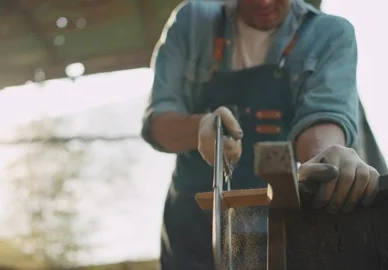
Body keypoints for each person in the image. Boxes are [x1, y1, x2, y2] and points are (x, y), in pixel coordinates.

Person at [140, 0, 386, 269]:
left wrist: (329, 156)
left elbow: (323, 116)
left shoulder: (329, 34)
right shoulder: (192, 21)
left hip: (278, 225)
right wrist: (199, 128)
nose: (265, 2)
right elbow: (158, 125)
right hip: (191, 226)